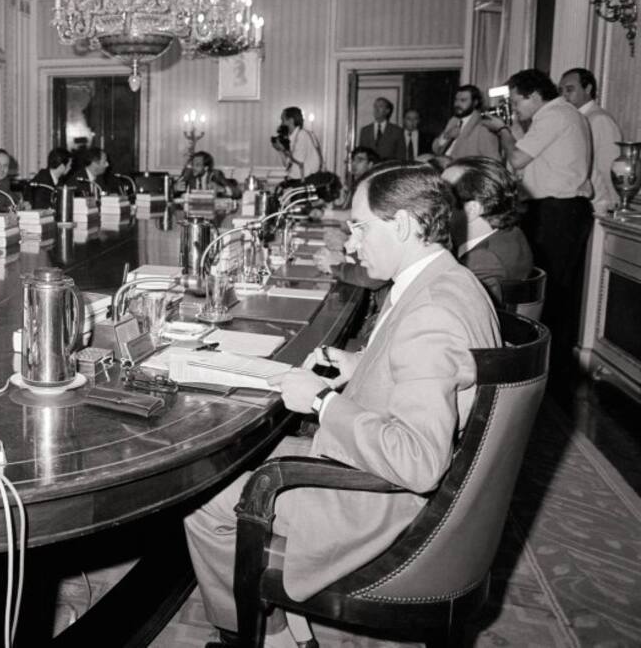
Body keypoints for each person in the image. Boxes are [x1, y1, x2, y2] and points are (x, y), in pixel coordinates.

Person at [185, 162, 500, 648]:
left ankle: (261, 637)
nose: (351, 244)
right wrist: (362, 364)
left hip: (384, 501)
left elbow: (416, 462)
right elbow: (428, 370)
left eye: (359, 228)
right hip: (402, 473)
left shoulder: (433, 312)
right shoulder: (447, 281)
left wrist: (322, 401)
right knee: (240, 460)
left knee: (204, 499)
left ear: (402, 225)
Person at [483, 68, 592, 374]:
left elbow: (516, 159)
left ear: (533, 95)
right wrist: (511, 129)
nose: (516, 109)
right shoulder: (560, 116)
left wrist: (504, 130)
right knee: (555, 290)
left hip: (557, 212)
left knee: (551, 290)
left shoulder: (554, 116)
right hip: (559, 210)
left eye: (517, 102)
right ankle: (550, 368)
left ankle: (548, 370)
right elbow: (520, 159)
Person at [443, 156, 534, 305]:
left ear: (472, 209)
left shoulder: (482, 260)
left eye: (443, 198)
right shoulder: (513, 234)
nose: (433, 205)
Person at [561, 67, 623, 215]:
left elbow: (610, 165)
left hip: (596, 205)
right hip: (575, 204)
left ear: (587, 88)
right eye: (561, 91)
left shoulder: (599, 119)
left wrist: (615, 204)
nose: (564, 96)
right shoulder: (571, 119)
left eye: (569, 90)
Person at [431, 84, 501, 163]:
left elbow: (493, 161)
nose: (457, 104)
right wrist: (446, 136)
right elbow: (436, 149)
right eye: (456, 100)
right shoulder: (453, 121)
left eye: (463, 100)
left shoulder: (483, 126)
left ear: (475, 103)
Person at [276, 106, 323, 180]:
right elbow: (288, 164)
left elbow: (298, 161)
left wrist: (284, 149)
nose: (281, 124)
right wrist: (280, 149)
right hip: (300, 180)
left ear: (291, 120)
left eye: (283, 120)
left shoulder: (302, 136)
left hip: (305, 181)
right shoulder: (294, 137)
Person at [357, 97, 406, 161]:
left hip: (388, 168)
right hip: (370, 169)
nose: (376, 109)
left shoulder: (397, 131)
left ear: (387, 111)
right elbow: (361, 155)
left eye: (380, 106)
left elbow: (401, 156)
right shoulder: (365, 131)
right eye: (375, 106)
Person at [334, 146, 379, 210]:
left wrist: (325, 213)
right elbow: (345, 208)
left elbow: (351, 214)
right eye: (353, 160)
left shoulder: (368, 187)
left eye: (360, 160)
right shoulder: (355, 184)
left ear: (370, 165)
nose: (354, 163)